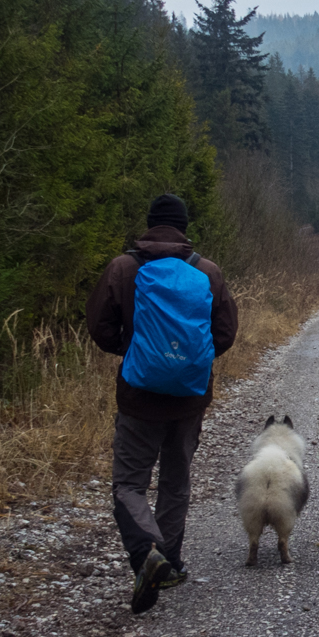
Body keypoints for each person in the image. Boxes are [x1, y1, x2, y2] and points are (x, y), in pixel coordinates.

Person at [86, 193, 238, 613]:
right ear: (185, 229)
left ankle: (144, 553)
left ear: (149, 224)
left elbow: (99, 328)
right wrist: (189, 364)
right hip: (189, 397)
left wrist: (137, 353)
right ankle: (168, 561)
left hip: (138, 396)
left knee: (129, 482)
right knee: (176, 479)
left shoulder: (124, 268)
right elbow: (225, 333)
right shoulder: (207, 272)